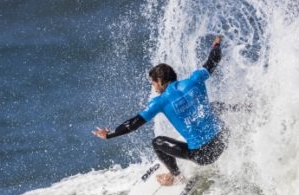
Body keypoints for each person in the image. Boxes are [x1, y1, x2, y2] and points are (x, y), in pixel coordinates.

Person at [93, 35, 226, 186]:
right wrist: (216, 45)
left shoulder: (160, 102)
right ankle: (241, 107)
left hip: (203, 155)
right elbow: (213, 60)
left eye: (154, 83)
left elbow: (133, 124)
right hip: (222, 140)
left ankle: (175, 176)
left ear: (160, 81)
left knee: (157, 142)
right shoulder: (196, 79)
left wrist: (109, 135)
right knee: (211, 106)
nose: (154, 87)